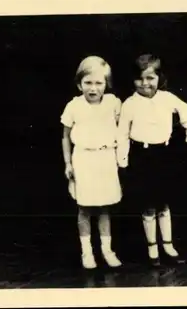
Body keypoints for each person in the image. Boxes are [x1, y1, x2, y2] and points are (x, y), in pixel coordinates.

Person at [117, 54, 187, 266]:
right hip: (141, 157)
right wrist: (123, 161)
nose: (145, 83)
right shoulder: (129, 104)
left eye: (150, 78)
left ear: (159, 78)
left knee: (164, 203)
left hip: (163, 156)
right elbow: (122, 134)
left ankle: (168, 245)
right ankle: (152, 249)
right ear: (133, 80)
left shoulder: (168, 98)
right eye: (140, 79)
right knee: (147, 205)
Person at [61, 56, 123, 269]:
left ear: (107, 84)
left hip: (106, 160)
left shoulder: (114, 103)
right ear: (80, 84)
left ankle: (107, 250)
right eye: (88, 83)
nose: (93, 88)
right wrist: (68, 163)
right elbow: (65, 136)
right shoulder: (74, 106)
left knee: (105, 208)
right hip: (83, 160)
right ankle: (87, 252)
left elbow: (123, 129)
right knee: (84, 208)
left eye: (99, 83)